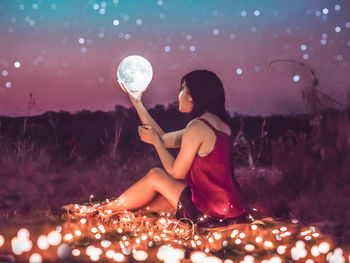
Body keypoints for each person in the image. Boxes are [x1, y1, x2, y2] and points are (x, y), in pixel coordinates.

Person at [100, 69, 247, 227]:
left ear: (191, 96)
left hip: (209, 212)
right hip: (232, 211)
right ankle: (115, 213)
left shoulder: (197, 126)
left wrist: (155, 142)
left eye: (181, 89)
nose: (179, 96)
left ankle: (103, 210)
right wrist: (137, 102)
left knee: (156, 175)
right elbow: (164, 139)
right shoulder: (218, 125)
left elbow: (176, 172)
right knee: (154, 205)